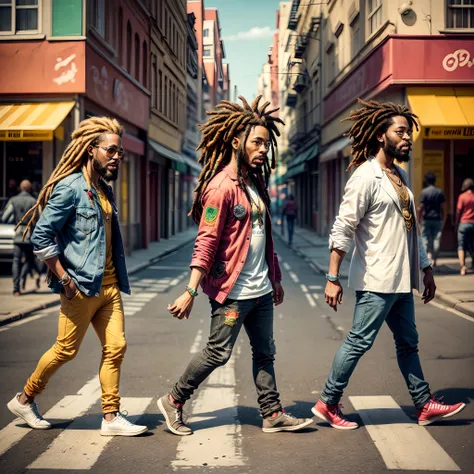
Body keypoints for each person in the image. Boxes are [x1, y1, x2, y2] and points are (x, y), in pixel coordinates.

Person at [157, 96, 313, 435]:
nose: (262, 149)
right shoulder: (220, 188)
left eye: (266, 143)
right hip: (232, 292)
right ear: (235, 141)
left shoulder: (255, 184)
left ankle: (271, 413)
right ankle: (173, 400)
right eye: (256, 142)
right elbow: (207, 240)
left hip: (260, 289)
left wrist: (277, 277)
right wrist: (189, 291)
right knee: (218, 353)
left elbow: (262, 236)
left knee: (265, 353)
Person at [312, 99, 465, 430]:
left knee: (408, 343)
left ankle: (424, 405)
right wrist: (333, 276)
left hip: (401, 281)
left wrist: (425, 268)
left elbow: (413, 228)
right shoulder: (365, 176)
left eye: (409, 132)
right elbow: (344, 226)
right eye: (401, 131)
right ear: (381, 136)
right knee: (358, 341)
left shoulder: (401, 176)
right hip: (376, 280)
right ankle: (327, 402)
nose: (408, 137)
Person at [6, 117, 147, 437]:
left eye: (120, 153)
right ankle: (24, 398)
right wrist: (64, 279)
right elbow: (41, 236)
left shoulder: (103, 189)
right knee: (65, 350)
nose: (117, 157)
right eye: (111, 150)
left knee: (116, 346)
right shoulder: (70, 188)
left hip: (109, 286)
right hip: (80, 287)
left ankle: (111, 417)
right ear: (90, 149)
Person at [1, 179, 40, 296]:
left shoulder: (13, 200)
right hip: (29, 235)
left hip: (17, 234)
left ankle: (16, 288)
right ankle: (23, 277)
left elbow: (5, 217)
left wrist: (15, 221)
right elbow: (38, 220)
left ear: (20, 188)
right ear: (30, 189)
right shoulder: (34, 201)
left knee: (16, 260)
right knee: (29, 260)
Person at [418, 172, 445, 267]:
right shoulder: (439, 192)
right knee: (436, 239)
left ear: (426, 181)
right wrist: (443, 218)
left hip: (426, 219)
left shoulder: (424, 192)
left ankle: (427, 260)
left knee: (425, 239)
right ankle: (434, 259)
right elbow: (442, 208)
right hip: (437, 219)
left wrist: (419, 219)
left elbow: (420, 207)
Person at [455, 178, 474, 276]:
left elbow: (458, 210)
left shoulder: (462, 197)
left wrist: (456, 222)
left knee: (461, 246)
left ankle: (463, 267)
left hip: (464, 223)